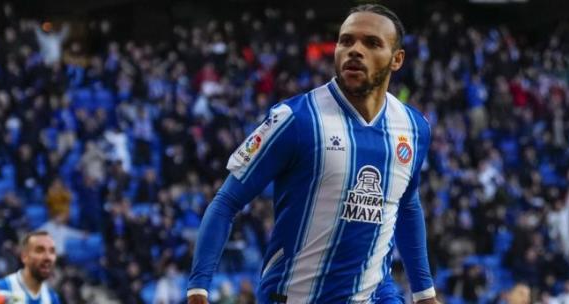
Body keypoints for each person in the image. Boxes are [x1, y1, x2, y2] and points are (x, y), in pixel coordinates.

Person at [187, 4, 437, 303]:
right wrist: (198, 289)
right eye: (346, 41)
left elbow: (407, 205)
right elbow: (227, 201)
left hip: (375, 295)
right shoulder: (295, 119)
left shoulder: (414, 127)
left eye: (371, 43)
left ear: (397, 60)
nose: (355, 50)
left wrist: (424, 293)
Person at [0, 231, 62, 303]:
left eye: (51, 251)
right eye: (39, 251)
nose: (47, 257)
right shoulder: (0, 289)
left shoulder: (51, 297)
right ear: (24, 256)